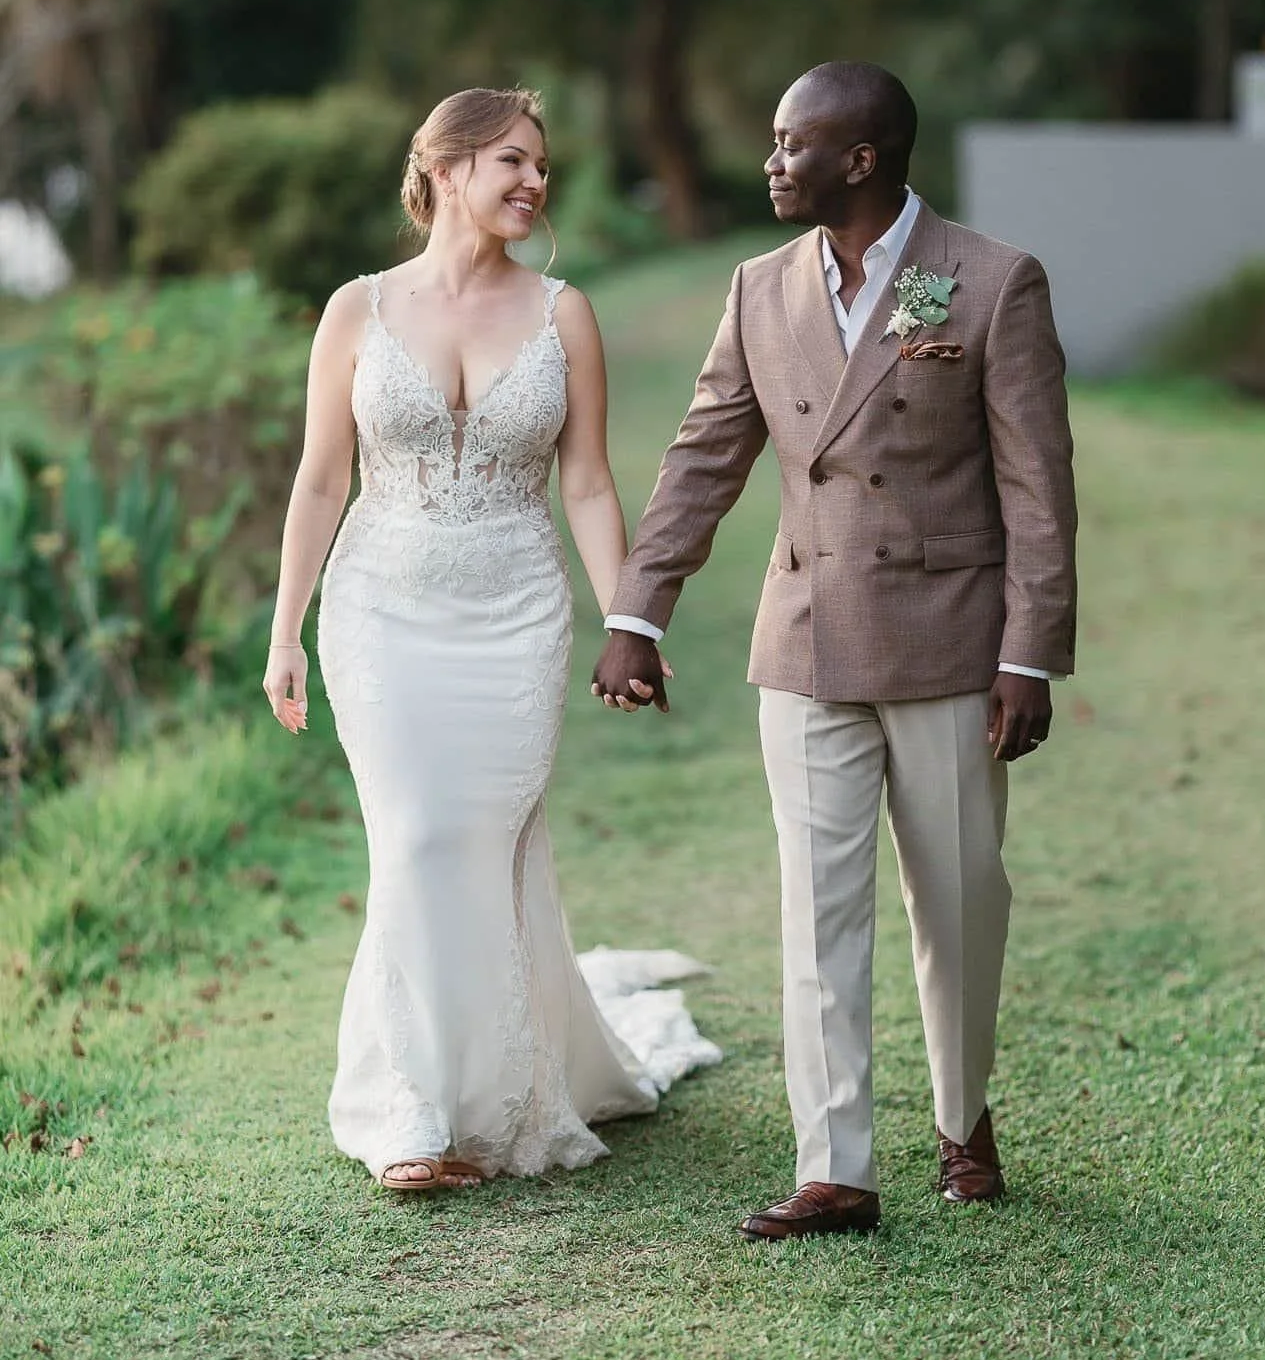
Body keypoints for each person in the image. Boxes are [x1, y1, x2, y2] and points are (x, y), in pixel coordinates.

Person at [592, 62, 1077, 1240]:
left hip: (951, 645)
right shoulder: (759, 287)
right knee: (818, 911)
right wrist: (636, 609)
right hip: (803, 643)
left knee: (960, 902)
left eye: (788, 142)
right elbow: (705, 451)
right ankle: (837, 1166)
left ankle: (962, 1120)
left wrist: (1032, 649)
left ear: (860, 158)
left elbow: (1038, 486)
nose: (770, 161)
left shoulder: (989, 279)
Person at [263, 86, 717, 1193]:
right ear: (447, 169)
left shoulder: (564, 313)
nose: (534, 183)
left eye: (542, 166)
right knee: (414, 836)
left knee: (483, 841)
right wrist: (286, 631)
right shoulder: (356, 309)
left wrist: (632, 620)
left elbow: (592, 482)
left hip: (515, 611)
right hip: (380, 607)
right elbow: (322, 479)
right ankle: (411, 1110)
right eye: (513, 160)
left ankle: (496, 1081)